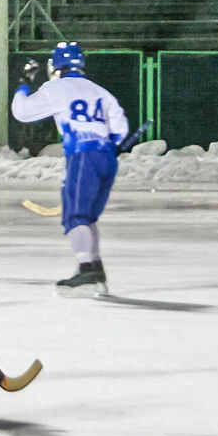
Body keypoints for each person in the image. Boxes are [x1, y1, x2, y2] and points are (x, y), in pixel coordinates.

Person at [10, 41, 129, 296]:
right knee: (88, 217)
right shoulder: (100, 91)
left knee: (75, 216)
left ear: (56, 66)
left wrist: (23, 84)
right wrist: (112, 143)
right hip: (107, 157)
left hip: (82, 155)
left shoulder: (57, 88)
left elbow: (23, 112)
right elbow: (120, 127)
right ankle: (95, 268)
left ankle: (86, 271)